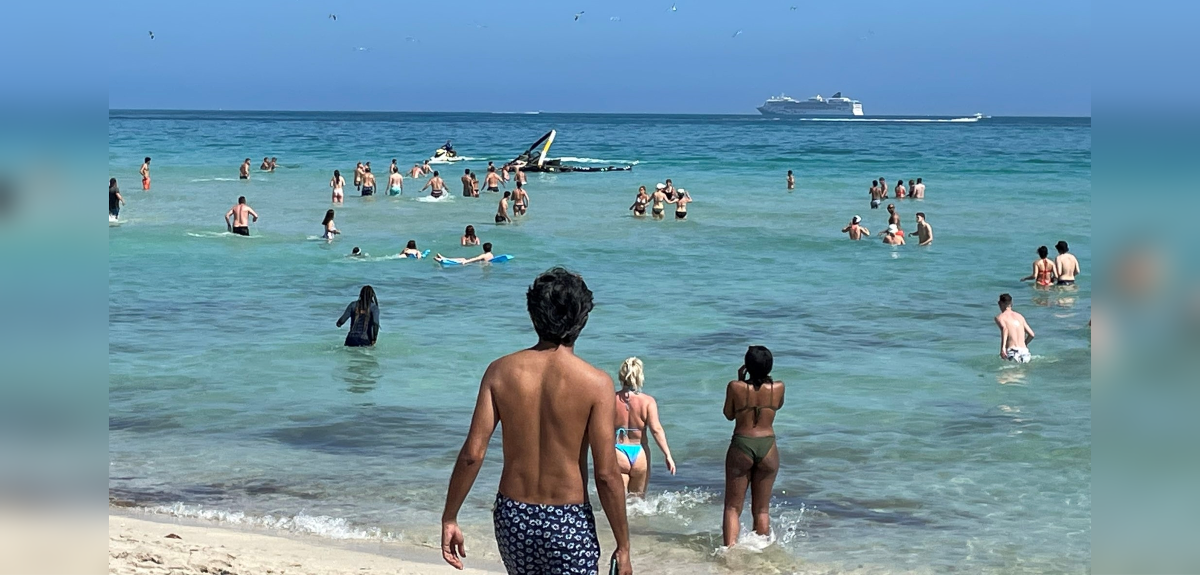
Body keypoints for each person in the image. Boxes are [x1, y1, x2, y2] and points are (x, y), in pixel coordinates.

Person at [440, 268, 632, 575]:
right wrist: (623, 546)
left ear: (534, 315)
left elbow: (472, 454)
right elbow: (608, 474)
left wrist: (450, 517)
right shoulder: (596, 384)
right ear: (582, 318)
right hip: (568, 519)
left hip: (513, 515)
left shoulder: (499, 372)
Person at [722, 345, 784, 547]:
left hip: (742, 444)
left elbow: (729, 414)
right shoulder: (779, 387)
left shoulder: (735, 387)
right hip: (768, 446)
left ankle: (729, 555)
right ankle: (762, 554)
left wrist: (741, 381)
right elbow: (777, 406)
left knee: (732, 507)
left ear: (747, 366)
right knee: (762, 510)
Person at [613, 357, 677, 497]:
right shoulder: (648, 401)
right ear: (640, 376)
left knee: (619, 501)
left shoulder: (611, 399)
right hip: (640, 452)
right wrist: (668, 455)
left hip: (618, 452)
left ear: (621, 375)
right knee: (638, 503)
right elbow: (656, 430)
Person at [995, 293, 1034, 363]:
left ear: (1000, 303)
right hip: (1024, 351)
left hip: (1012, 352)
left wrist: (1003, 348)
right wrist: (1024, 343)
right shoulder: (1020, 316)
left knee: (1008, 373)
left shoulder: (1000, 317)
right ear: (1011, 303)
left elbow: (1005, 329)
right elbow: (1031, 334)